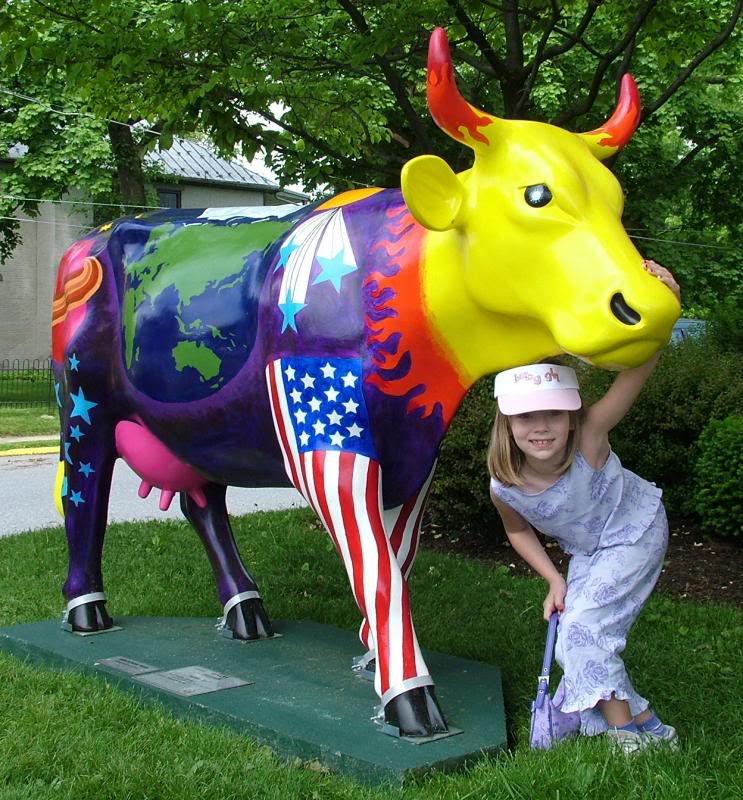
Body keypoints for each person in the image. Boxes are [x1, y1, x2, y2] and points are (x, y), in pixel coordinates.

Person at [489, 260, 681, 754]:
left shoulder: (590, 440)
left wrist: (666, 304)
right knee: (581, 637)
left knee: (584, 628)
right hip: (589, 552)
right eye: (526, 416)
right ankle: (648, 724)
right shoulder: (504, 486)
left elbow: (636, 373)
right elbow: (519, 533)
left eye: (554, 413)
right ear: (506, 424)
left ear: (573, 417)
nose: (542, 426)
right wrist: (555, 579)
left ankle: (624, 737)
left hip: (634, 530)